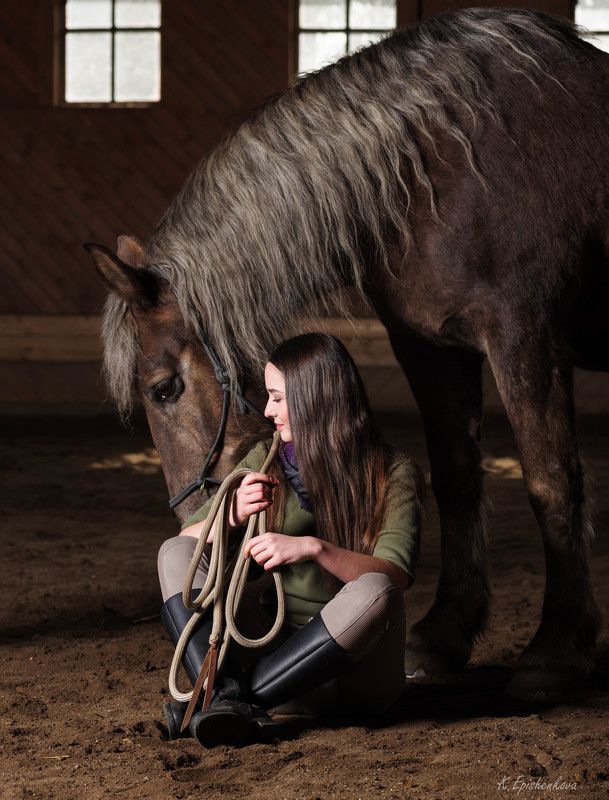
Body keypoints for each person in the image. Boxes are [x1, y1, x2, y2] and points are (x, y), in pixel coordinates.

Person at [157, 332, 424, 747]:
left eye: (278, 398)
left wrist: (314, 549)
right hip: (272, 660)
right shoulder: (265, 459)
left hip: (353, 676)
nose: (268, 411)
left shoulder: (393, 472)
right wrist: (232, 514)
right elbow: (186, 541)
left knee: (374, 589)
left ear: (314, 397)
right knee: (174, 551)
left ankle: (216, 703)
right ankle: (230, 698)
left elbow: (395, 577)